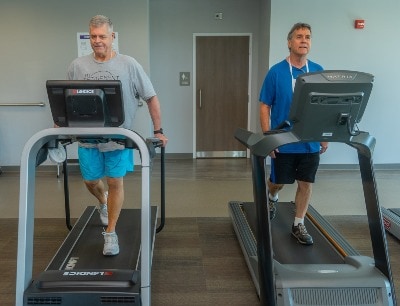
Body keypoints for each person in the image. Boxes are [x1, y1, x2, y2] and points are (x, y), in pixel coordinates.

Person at [67, 15, 168, 256]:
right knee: (91, 181)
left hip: (118, 138)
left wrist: (158, 131)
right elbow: (65, 101)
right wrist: (56, 130)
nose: (97, 41)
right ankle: (102, 203)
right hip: (87, 139)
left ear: (112, 37)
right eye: (93, 36)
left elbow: (151, 97)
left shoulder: (129, 64)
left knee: (115, 182)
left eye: (102, 36)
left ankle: (110, 233)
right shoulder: (77, 66)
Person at [259, 22, 328, 245]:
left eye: (307, 36)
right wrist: (269, 136)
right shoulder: (276, 72)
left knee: (306, 183)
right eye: (299, 36)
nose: (304, 40)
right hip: (284, 140)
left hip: (309, 141)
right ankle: (272, 196)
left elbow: (324, 105)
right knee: (278, 182)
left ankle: (299, 223)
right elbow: (264, 105)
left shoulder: (317, 71)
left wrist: (324, 135)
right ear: (290, 42)